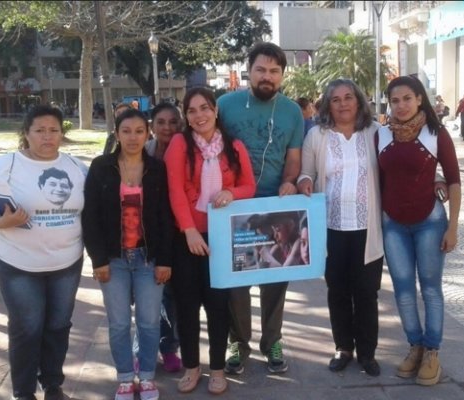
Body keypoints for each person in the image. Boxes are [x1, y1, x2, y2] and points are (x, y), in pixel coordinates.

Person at [0, 105, 88, 400]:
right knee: (27, 327)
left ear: (62, 133)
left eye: (54, 130)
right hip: (18, 265)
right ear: (26, 133)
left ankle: (52, 384)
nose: (47, 137)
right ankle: (23, 391)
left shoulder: (77, 167)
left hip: (67, 263)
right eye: (40, 130)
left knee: (59, 325)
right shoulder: (7, 165)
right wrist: (0, 222)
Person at [217, 41, 304, 375]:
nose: (267, 76)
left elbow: (293, 158)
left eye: (274, 71)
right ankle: (238, 343)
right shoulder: (225, 104)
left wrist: (290, 180)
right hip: (235, 208)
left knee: (275, 280)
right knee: (236, 282)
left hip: (275, 207)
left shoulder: (292, 111)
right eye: (261, 70)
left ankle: (273, 341)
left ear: (282, 75)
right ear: (248, 71)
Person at [164, 87, 256, 394]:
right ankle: (192, 367)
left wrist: (232, 193)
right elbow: (175, 190)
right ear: (186, 117)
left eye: (204, 108)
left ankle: (217, 369)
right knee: (187, 306)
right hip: (186, 237)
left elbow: (249, 186)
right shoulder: (179, 144)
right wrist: (189, 230)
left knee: (218, 306)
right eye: (192, 111)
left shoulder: (234, 146)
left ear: (215, 110)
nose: (199, 115)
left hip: (221, 236)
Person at [82, 108, 175, 400]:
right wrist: (98, 260)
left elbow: (164, 216)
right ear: (117, 134)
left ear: (147, 133)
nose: (133, 137)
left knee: (148, 323)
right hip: (114, 259)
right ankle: (125, 377)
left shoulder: (157, 169)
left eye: (138, 131)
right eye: (126, 131)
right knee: (119, 323)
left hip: (148, 259)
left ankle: (146, 377)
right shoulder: (101, 167)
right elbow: (91, 217)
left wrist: (164, 261)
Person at [297, 79, 384, 377]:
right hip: (331, 228)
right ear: (327, 105)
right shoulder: (316, 136)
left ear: (359, 101)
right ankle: (343, 347)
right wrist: (304, 181)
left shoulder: (375, 133)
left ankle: (368, 353)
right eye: (336, 99)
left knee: (366, 292)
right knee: (337, 290)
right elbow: (306, 172)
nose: (343, 103)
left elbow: (397, 165)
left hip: (366, 228)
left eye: (349, 97)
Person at [377, 76, 461, 386]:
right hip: (393, 225)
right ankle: (415, 345)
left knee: (429, 288)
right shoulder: (382, 135)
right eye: (395, 100)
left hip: (430, 222)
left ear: (419, 99)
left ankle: (432, 352)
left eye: (407, 99)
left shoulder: (436, 134)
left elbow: (453, 180)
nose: (401, 105)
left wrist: (452, 226)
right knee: (402, 290)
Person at [140, 102, 184, 373]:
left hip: (180, 233)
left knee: (172, 298)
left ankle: (169, 348)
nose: (167, 127)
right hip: (148, 235)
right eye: (161, 122)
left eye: (173, 122)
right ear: (152, 126)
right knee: (146, 297)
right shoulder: (143, 152)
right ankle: (143, 350)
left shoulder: (188, 149)